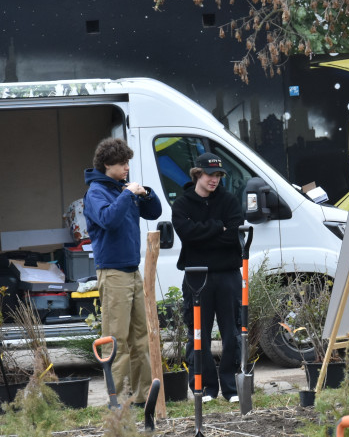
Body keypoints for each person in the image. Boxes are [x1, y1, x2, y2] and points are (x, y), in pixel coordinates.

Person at [83, 137, 162, 403]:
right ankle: (116, 399)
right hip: (113, 273)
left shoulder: (121, 189)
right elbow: (108, 220)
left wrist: (145, 194)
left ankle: (143, 397)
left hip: (132, 270)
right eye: (122, 163)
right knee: (116, 338)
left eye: (128, 162)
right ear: (107, 164)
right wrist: (128, 194)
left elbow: (154, 212)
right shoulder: (96, 192)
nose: (127, 167)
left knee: (141, 337)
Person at [171, 153, 244, 402]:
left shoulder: (229, 200)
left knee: (231, 333)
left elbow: (235, 233)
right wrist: (217, 228)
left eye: (219, 175)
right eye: (210, 175)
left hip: (228, 276)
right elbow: (187, 234)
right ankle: (205, 388)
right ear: (197, 174)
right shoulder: (182, 204)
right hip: (196, 277)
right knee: (198, 333)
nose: (214, 180)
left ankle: (232, 388)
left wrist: (203, 236)